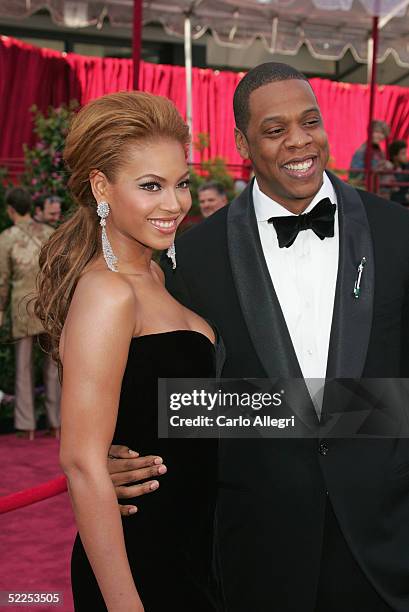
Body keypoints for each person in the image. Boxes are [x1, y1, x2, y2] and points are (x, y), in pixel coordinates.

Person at [108, 63, 409, 611]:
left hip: (388, 546)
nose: (300, 141)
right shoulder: (191, 259)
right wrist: (118, 450)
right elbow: (182, 401)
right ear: (243, 142)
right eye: (274, 130)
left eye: (310, 122)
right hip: (259, 555)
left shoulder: (399, 234)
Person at [34, 92, 222, 611]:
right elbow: (81, 462)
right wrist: (124, 606)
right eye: (150, 186)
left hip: (193, 547)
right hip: (142, 561)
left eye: (181, 183)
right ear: (102, 187)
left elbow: (185, 411)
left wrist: (364, 410)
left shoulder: (159, 276)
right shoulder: (108, 292)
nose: (175, 204)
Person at [0, 187, 61, 440]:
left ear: (11, 210)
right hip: (50, 305)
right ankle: (57, 424)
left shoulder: (7, 237)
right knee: (53, 367)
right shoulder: (50, 233)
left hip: (22, 308)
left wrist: (0, 310)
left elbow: (2, 280)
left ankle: (27, 427)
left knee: (23, 367)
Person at [388, 139, 409, 206]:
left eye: (405, 153)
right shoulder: (388, 168)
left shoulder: (406, 167)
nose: (406, 156)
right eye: (403, 153)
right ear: (395, 156)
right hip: (395, 202)